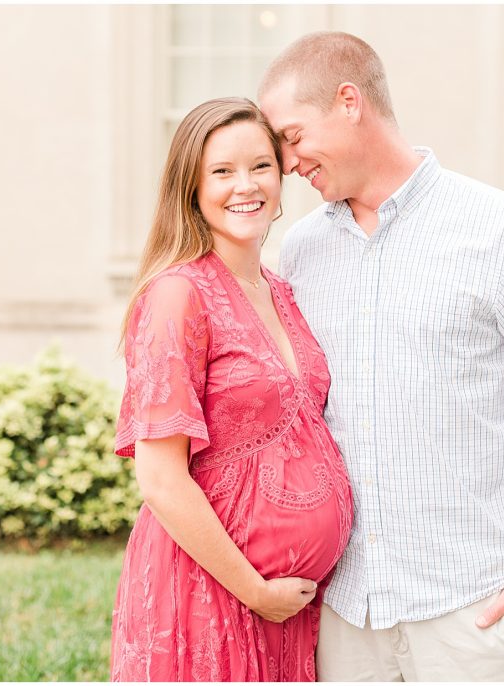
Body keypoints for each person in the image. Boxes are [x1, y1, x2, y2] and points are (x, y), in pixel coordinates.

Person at [257, 32, 504, 681]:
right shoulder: (301, 250)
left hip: (472, 606)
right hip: (345, 609)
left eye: (293, 136)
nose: (285, 163)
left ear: (349, 101)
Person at [110, 97, 355, 681]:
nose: (244, 186)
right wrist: (254, 590)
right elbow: (161, 477)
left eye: (260, 167)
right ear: (190, 186)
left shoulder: (281, 289)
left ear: (280, 176)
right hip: (209, 591)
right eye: (221, 171)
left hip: (287, 607)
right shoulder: (179, 294)